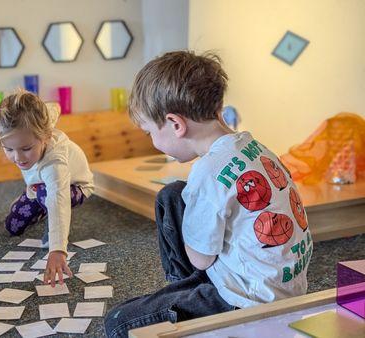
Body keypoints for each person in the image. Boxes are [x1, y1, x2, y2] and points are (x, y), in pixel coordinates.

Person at [104, 51, 313, 337]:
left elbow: (201, 259)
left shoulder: (208, 171)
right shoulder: (253, 146)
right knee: (172, 195)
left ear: (176, 124)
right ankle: (185, 291)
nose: (152, 142)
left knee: (118, 322)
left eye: (149, 132)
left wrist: (196, 232)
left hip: (246, 301)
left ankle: (191, 313)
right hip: (281, 285)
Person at [0, 91, 94, 286]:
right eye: (9, 149)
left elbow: (58, 200)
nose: (18, 158)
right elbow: (53, 107)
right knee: (12, 227)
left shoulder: (55, 164)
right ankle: (38, 203)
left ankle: (44, 210)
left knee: (47, 195)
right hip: (38, 185)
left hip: (75, 187)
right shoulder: (39, 122)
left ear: (45, 136)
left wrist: (57, 249)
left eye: (26, 149)